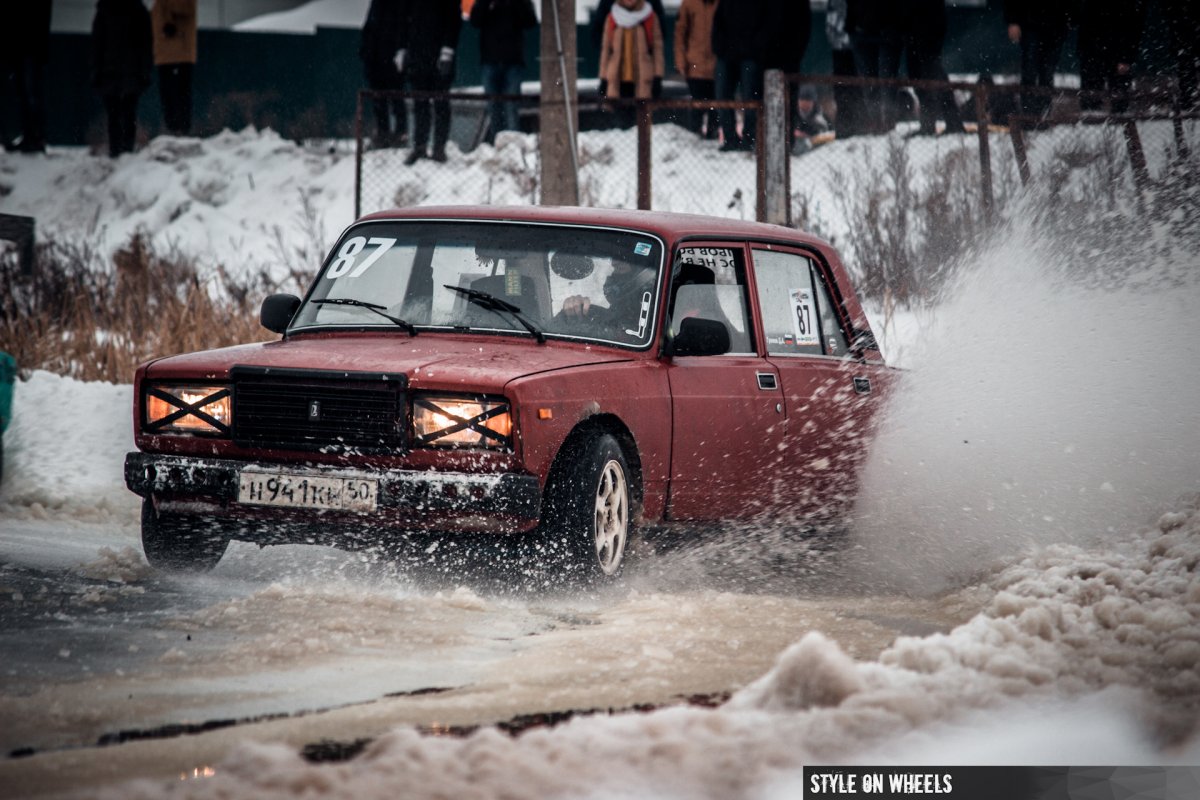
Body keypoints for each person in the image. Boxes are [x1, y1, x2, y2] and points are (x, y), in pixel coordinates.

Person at [399, 0, 462, 165]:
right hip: (418, 57)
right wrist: (404, 50)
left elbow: (453, 20)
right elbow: (406, 21)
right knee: (420, 103)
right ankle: (419, 147)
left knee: (440, 101)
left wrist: (447, 51)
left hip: (439, 57)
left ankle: (439, 148)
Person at [92, 0, 153, 158]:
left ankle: (120, 152)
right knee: (124, 113)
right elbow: (146, 43)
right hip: (122, 71)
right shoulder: (136, 10)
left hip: (117, 71)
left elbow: (98, 44)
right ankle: (122, 152)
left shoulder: (106, 11)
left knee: (121, 113)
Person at [470, 0, 537, 142]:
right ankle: (497, 144)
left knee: (511, 108)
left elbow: (530, 21)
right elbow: (475, 21)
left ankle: (513, 146)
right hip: (490, 60)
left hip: (513, 61)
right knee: (493, 108)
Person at [1004, 0, 1079, 122]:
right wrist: (1013, 20)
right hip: (1030, 23)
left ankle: (1044, 116)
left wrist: (1071, 17)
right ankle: (1028, 116)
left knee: (1047, 73)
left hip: (1055, 24)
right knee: (1030, 71)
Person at [712, 0, 771, 150]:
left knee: (751, 98)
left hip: (750, 56)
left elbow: (765, 25)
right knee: (722, 96)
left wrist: (754, 50)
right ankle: (730, 138)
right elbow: (718, 24)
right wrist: (721, 49)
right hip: (727, 55)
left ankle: (749, 140)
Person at [597, 0, 666, 128]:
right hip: (618, 79)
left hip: (642, 80)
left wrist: (658, 76)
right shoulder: (612, 17)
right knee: (620, 124)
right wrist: (603, 78)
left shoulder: (650, 17)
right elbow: (606, 50)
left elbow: (657, 49)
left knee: (641, 124)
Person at [905, 0, 965, 135]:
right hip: (912, 25)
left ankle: (952, 121)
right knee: (917, 74)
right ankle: (928, 124)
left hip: (929, 22)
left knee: (932, 71)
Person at [846, 0, 905, 134]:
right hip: (861, 28)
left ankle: (887, 123)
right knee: (869, 82)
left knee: (886, 80)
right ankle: (876, 122)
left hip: (888, 29)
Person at [1077, 0, 1145, 114]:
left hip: (1117, 52)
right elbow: (1085, 20)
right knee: (1091, 101)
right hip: (1093, 51)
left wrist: (1126, 57)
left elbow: (1134, 26)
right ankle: (1092, 124)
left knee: (1120, 102)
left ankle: (1120, 124)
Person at [2, 1, 51, 153]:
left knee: (31, 94)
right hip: (21, 46)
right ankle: (30, 136)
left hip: (30, 48)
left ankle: (35, 137)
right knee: (24, 94)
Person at [360, 0, 409, 149]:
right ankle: (383, 133)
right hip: (376, 58)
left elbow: (403, 26)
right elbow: (370, 27)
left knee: (395, 97)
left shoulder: (400, 6)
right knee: (379, 99)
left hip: (391, 57)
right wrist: (366, 51)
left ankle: (400, 133)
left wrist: (401, 50)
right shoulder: (377, 4)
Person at [151, 0, 197, 136]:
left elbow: (187, 8)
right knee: (169, 95)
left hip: (178, 51)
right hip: (165, 54)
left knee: (179, 94)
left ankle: (180, 130)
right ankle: (174, 129)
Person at [674, 0, 719, 139]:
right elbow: (680, 32)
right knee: (697, 103)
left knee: (716, 104)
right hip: (694, 63)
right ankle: (694, 135)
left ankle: (713, 134)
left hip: (717, 63)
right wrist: (681, 61)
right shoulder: (689, 3)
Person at [824, 0, 866, 139]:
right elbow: (831, 22)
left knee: (859, 90)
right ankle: (845, 130)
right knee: (843, 92)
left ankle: (860, 128)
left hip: (860, 43)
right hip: (841, 49)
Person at [1161, 0, 1200, 110]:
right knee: (1186, 68)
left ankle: (1188, 101)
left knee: (1186, 67)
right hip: (1183, 36)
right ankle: (1188, 102)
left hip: (1183, 36)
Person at [791, 83, 829, 154]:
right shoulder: (792, 115)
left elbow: (826, 134)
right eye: (802, 100)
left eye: (808, 101)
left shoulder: (820, 117)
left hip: (815, 150)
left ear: (813, 102)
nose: (805, 104)